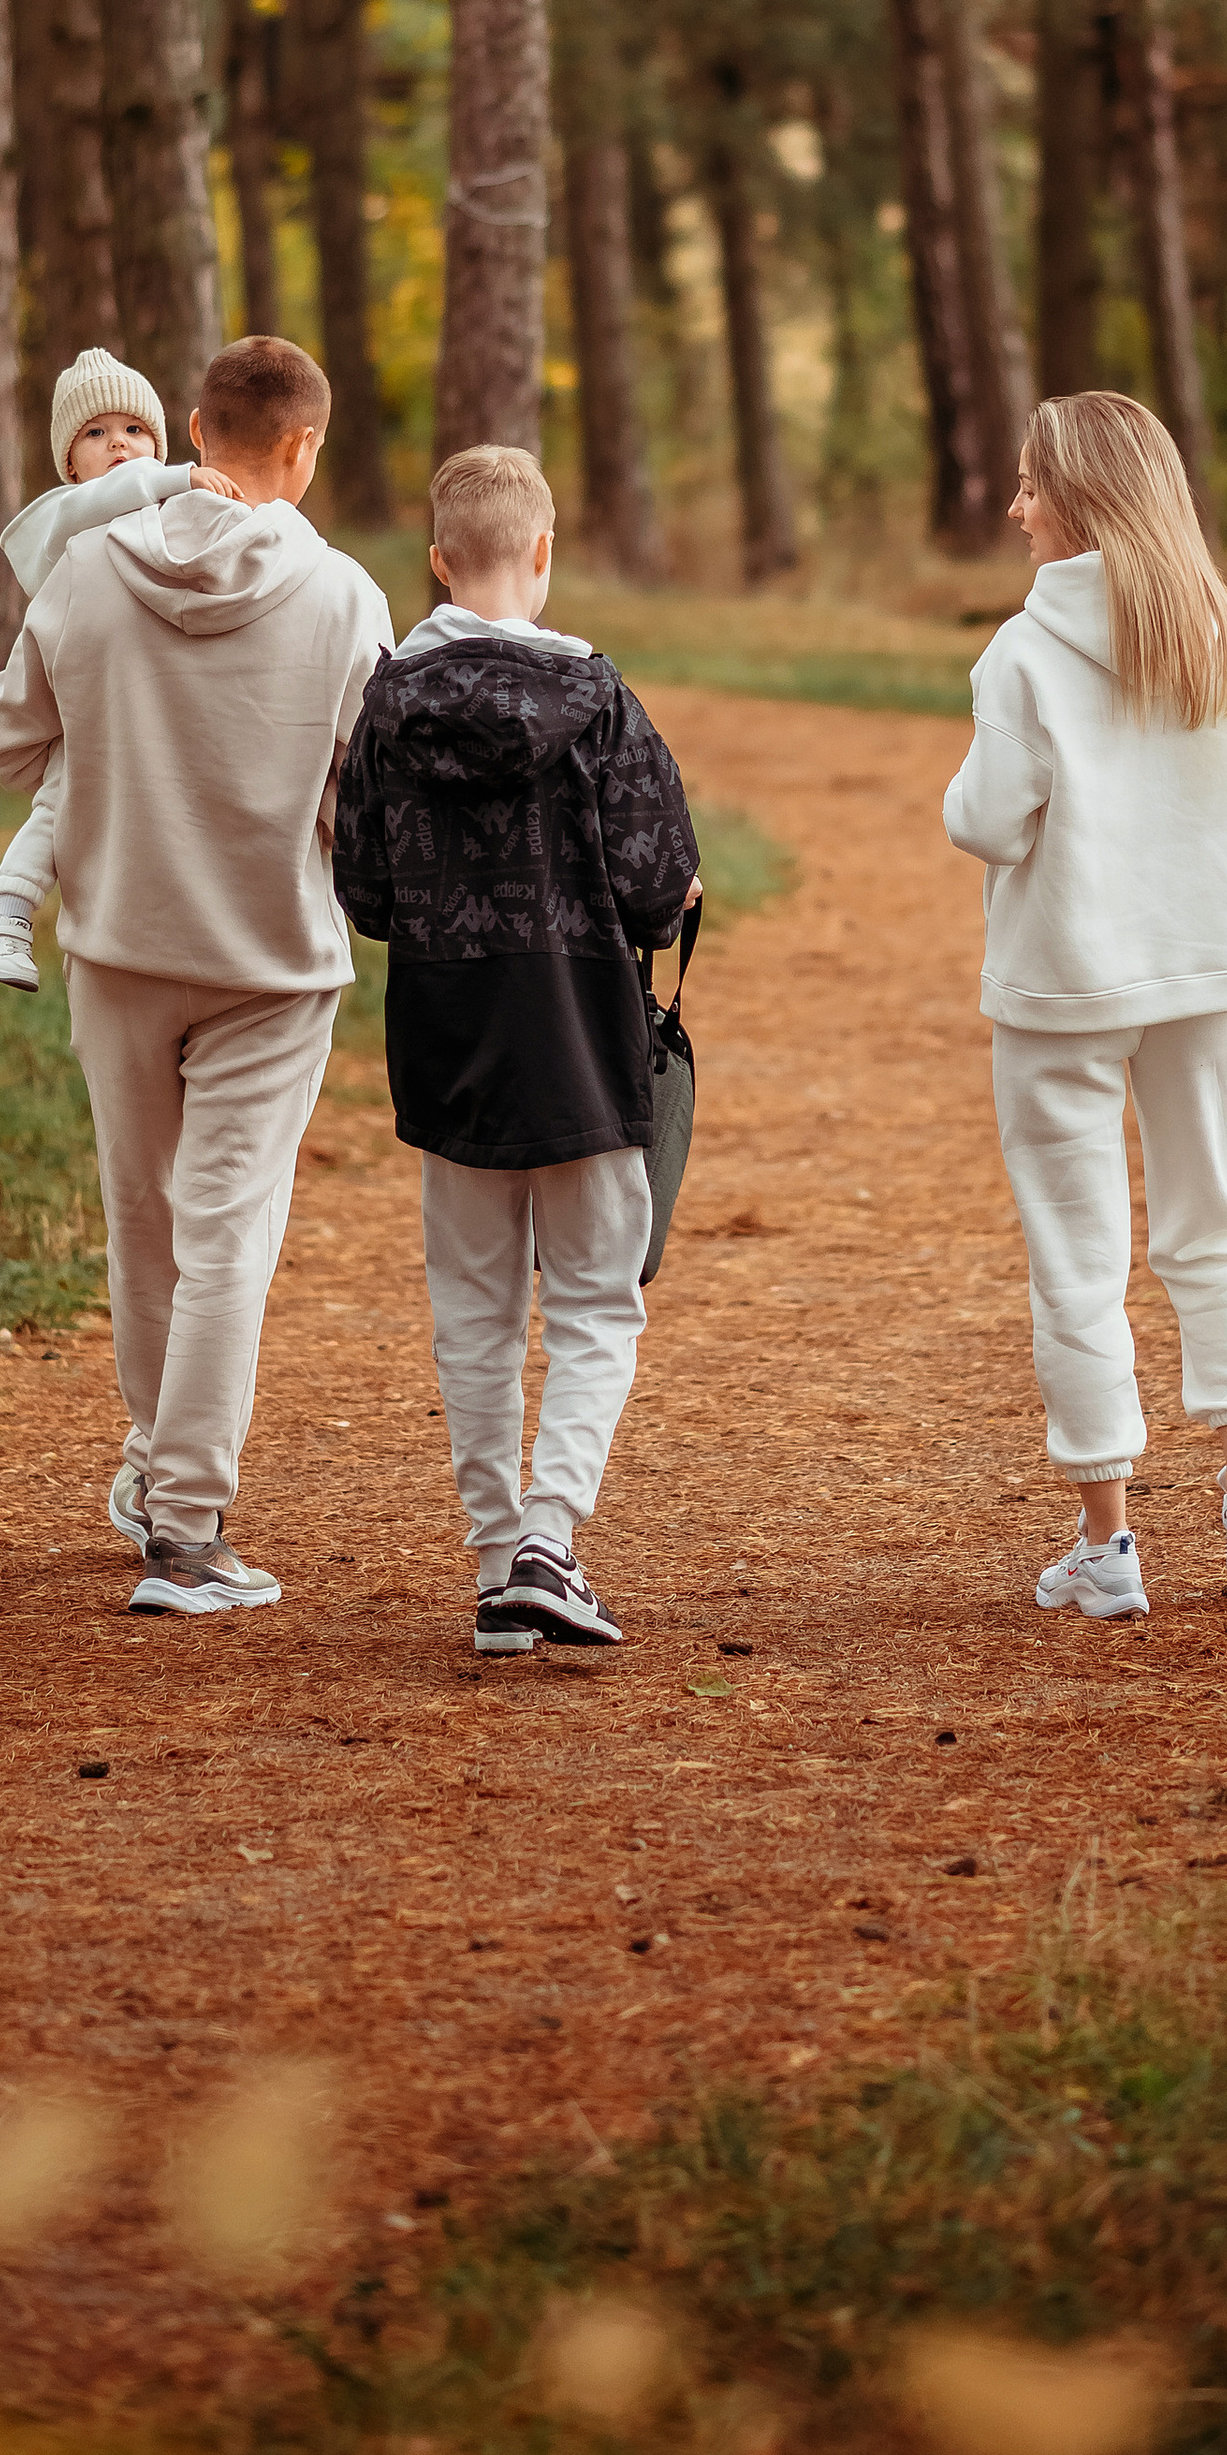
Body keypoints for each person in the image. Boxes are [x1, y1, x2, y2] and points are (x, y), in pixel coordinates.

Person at [0, 335, 393, 1615]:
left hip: (117, 948)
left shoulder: (85, 574)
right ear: (302, 447)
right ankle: (186, 1530)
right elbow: (362, 799)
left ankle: (161, 1488)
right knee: (227, 1237)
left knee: (143, 1223)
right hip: (271, 962)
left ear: (196, 429)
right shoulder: (344, 598)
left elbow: (11, 744)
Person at [331, 444, 699, 1657]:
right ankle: (549, 1535)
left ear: (437, 563)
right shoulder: (598, 698)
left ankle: (497, 1561)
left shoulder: (389, 698)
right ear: (543, 552)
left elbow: (367, 889)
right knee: (595, 1302)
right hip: (582, 1035)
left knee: (473, 1311)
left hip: (447, 1038)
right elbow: (656, 889)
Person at [942, 391, 1227, 1620]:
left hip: (1063, 985)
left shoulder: (1023, 653)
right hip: (1209, 975)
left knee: (1077, 1256)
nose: (1014, 506)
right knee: (1209, 1225)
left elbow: (987, 819)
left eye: (1031, 485)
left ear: (1079, 499)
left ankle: (1108, 1547)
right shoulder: (1224, 642)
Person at [0, 347, 237, 994]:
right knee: (56, 800)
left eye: (135, 430)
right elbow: (122, 492)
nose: (119, 444)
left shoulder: (165, 514)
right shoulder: (67, 515)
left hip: (136, 693)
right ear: (69, 464)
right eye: (96, 433)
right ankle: (7, 917)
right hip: (82, 692)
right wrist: (179, 477)